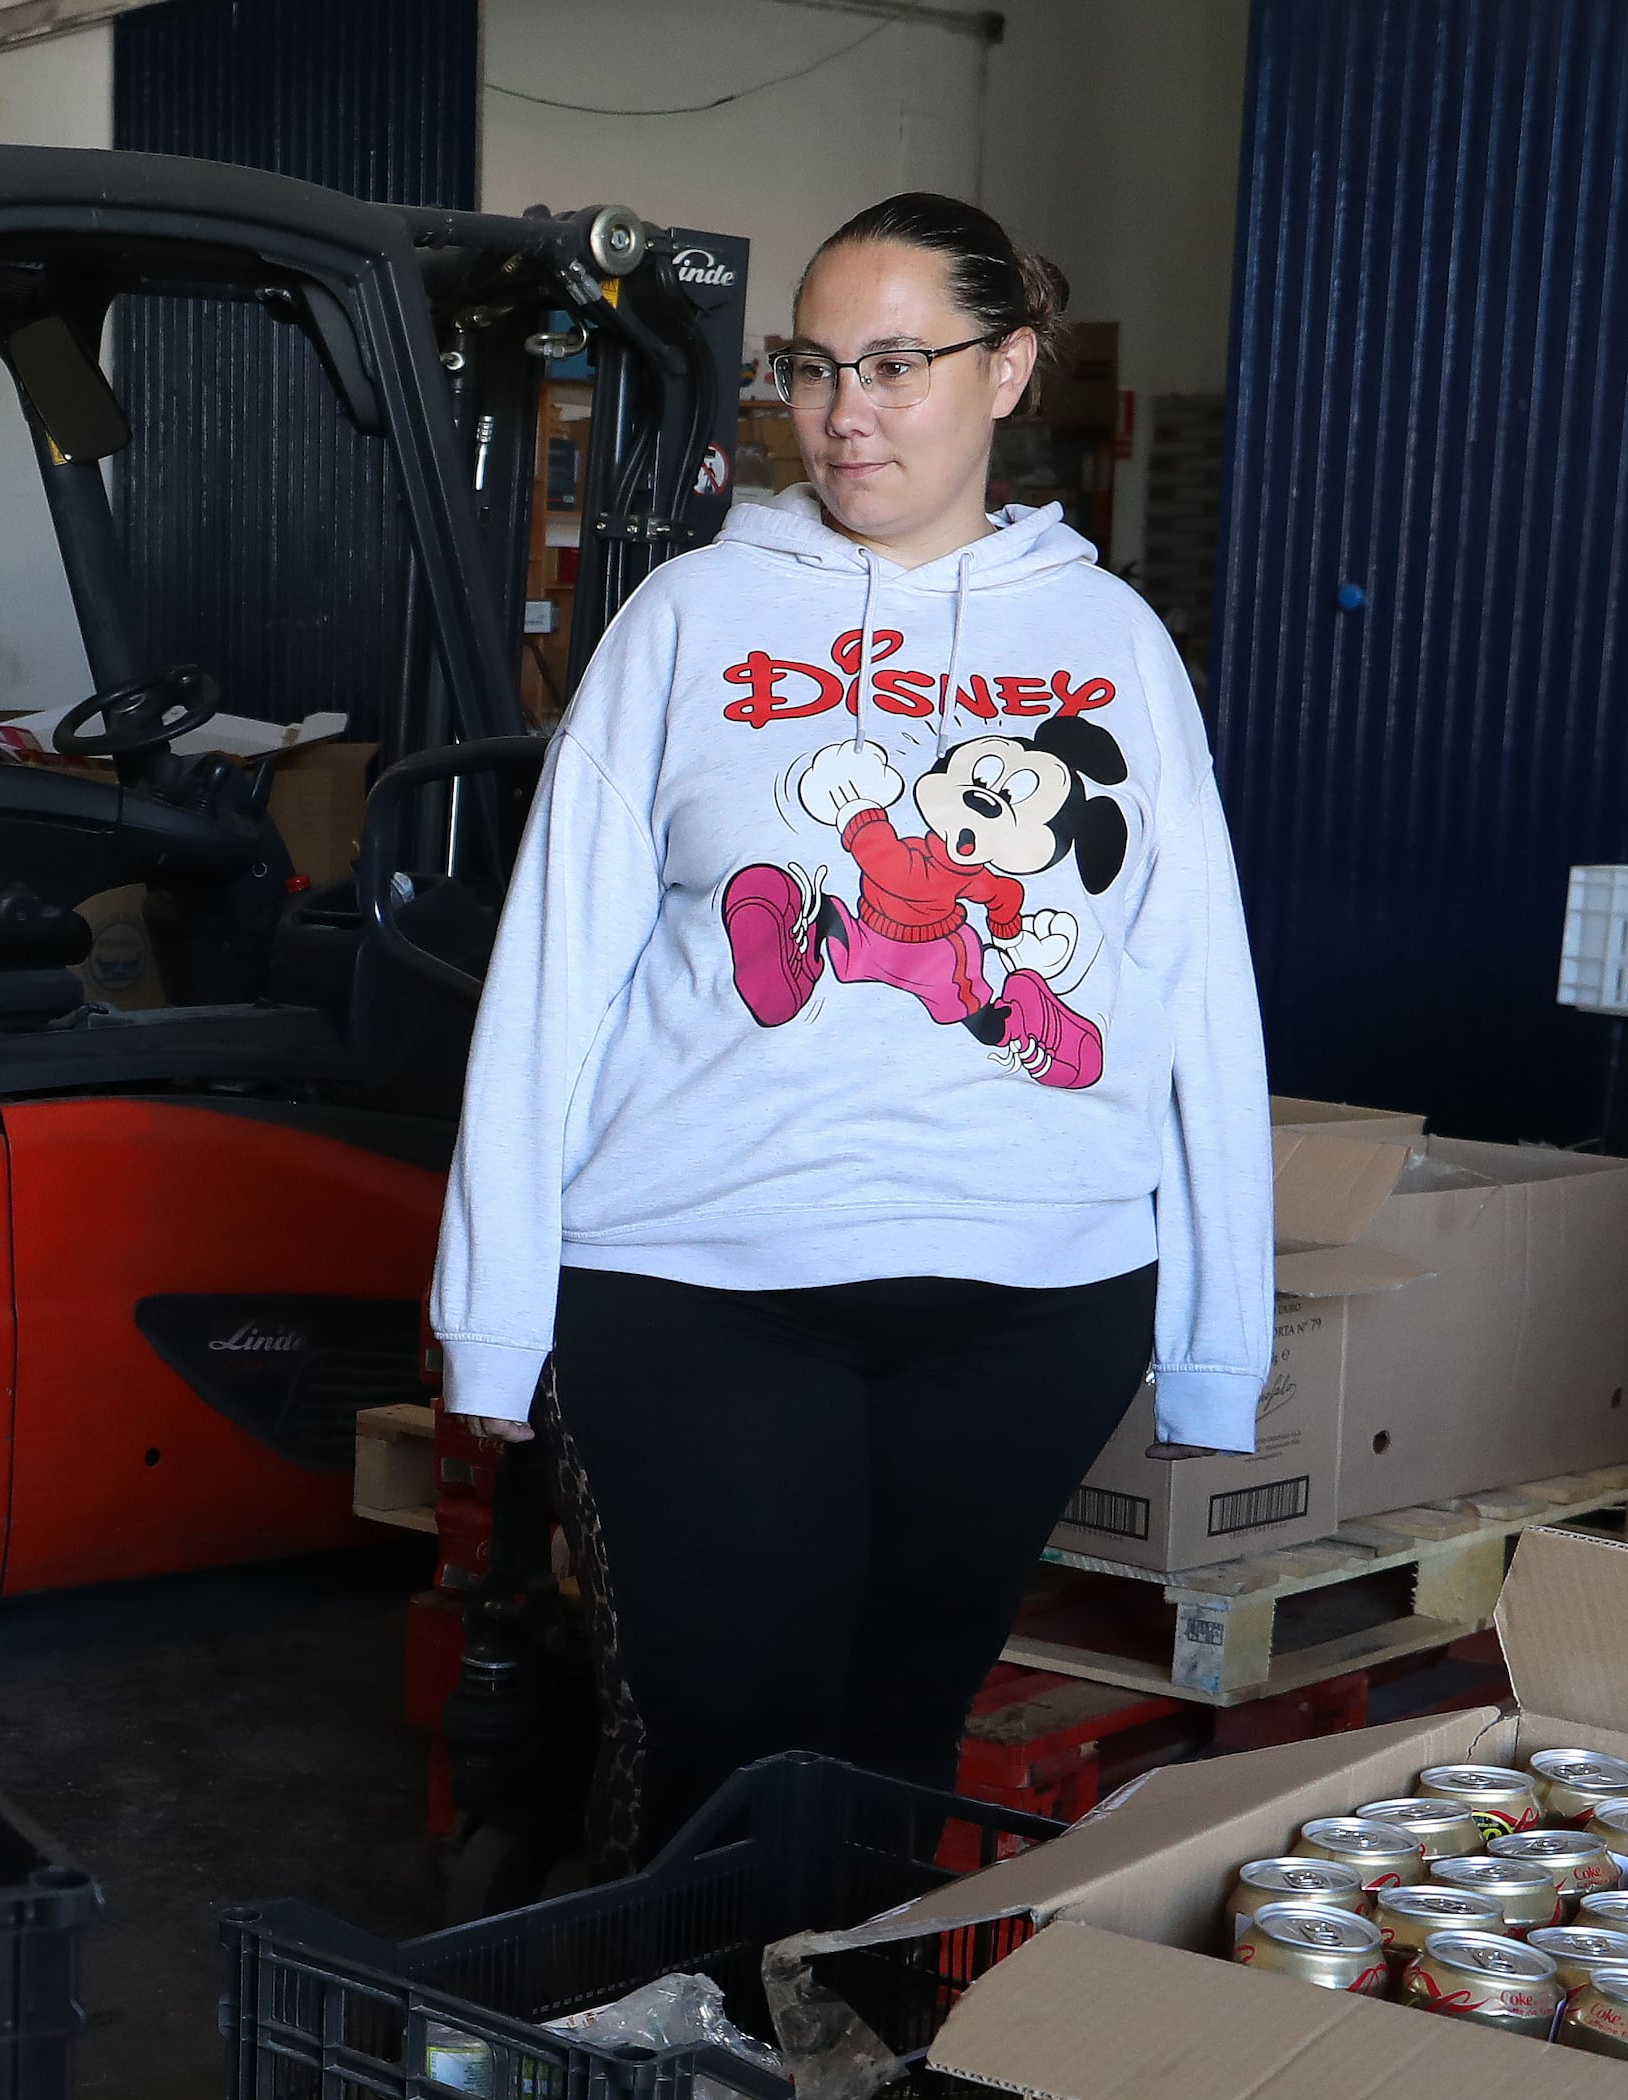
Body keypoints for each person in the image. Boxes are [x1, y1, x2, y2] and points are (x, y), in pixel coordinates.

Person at [432, 191, 1268, 1860]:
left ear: (1010, 370)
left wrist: (1215, 1347)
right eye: (815, 366)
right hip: (700, 1284)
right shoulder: (686, 620)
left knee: (900, 1736)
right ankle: (703, 2093)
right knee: (724, 1742)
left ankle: (839, 2099)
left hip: (1033, 1300)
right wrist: (494, 1316)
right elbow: (552, 975)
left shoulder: (1111, 645)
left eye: (899, 363)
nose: (846, 411)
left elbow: (1196, 985)